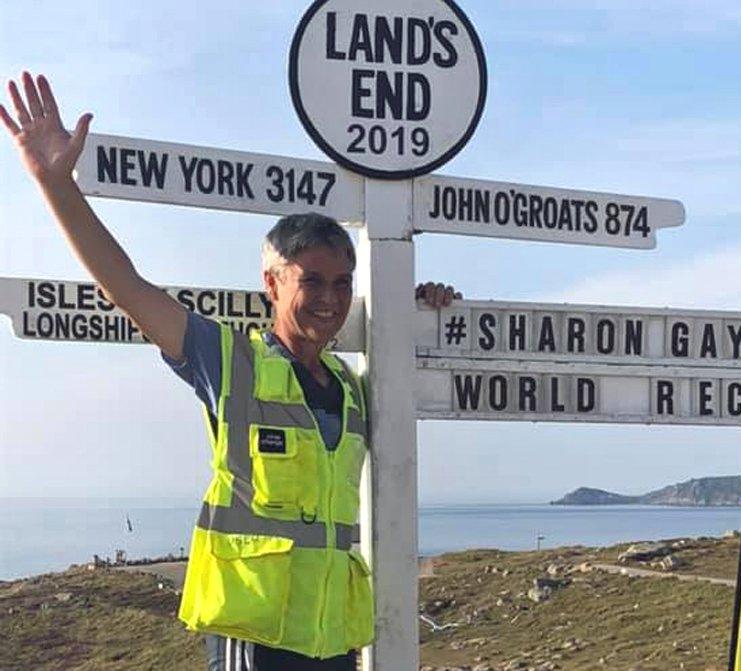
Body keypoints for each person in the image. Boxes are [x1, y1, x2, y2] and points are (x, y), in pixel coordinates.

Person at [2, 71, 459, 670]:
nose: (330, 298)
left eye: (343, 283)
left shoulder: (351, 389)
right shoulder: (230, 362)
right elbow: (127, 289)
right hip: (256, 640)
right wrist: (55, 186)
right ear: (271, 283)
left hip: (336, 642)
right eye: (311, 280)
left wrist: (419, 308)